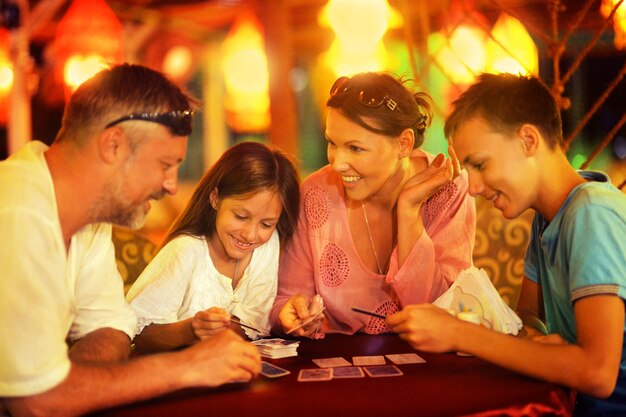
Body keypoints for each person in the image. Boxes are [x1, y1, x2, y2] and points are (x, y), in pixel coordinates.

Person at [0, 64, 261, 417]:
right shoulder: (19, 210)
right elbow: (36, 402)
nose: (170, 184)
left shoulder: (88, 222)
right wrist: (188, 366)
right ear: (114, 144)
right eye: (165, 164)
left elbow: (110, 324)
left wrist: (74, 386)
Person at [387, 73, 626, 416]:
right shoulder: (548, 218)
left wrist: (459, 333)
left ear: (528, 140)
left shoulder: (591, 212)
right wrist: (532, 335)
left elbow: (597, 372)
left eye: (480, 165)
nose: (473, 188)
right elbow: (528, 318)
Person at [270, 72, 476, 337]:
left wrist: (409, 211)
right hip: (339, 365)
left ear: (404, 143)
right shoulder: (316, 192)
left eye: (355, 148)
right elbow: (284, 300)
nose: (337, 163)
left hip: (431, 368)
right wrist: (290, 312)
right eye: (332, 143)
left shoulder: (449, 188)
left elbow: (445, 313)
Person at [126, 141, 300, 352]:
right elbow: (139, 336)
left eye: (266, 224)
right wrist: (191, 330)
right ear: (215, 198)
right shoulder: (187, 251)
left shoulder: (267, 245)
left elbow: (255, 322)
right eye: (241, 216)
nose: (250, 234)